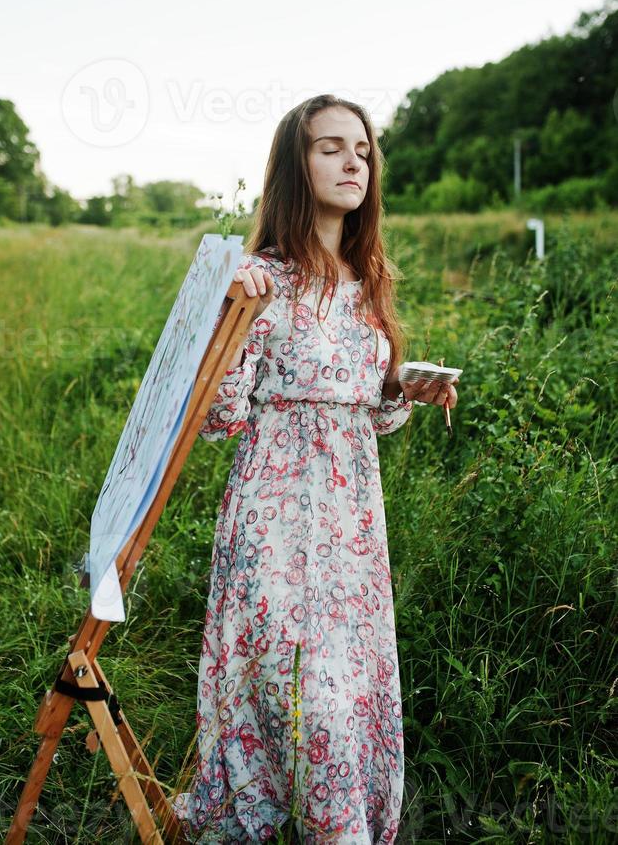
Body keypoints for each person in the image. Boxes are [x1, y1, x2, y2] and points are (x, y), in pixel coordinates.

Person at [173, 94, 459, 843]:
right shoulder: (263, 277)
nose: (351, 163)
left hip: (352, 527)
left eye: (361, 151)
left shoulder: (368, 282)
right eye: (330, 148)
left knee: (346, 687)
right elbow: (219, 417)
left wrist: (404, 388)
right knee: (295, 690)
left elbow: (372, 408)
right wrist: (230, 309)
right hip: (275, 513)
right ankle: (278, 820)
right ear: (295, 167)